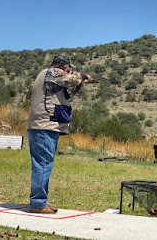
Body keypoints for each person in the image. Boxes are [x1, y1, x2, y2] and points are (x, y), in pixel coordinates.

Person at [27, 54, 92, 214]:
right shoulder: (53, 72)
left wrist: (80, 83)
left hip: (41, 125)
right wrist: (81, 76)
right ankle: (38, 203)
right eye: (69, 69)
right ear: (65, 67)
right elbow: (70, 80)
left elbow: (66, 91)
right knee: (43, 164)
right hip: (45, 125)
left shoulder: (49, 76)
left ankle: (40, 201)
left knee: (42, 163)